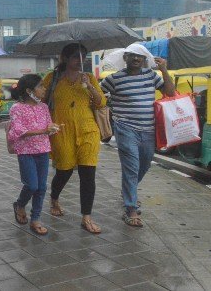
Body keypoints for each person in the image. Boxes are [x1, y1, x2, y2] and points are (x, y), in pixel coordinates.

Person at [100, 44, 175, 227]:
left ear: (144, 60)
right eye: (132, 56)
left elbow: (170, 92)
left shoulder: (150, 76)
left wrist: (164, 69)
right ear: (125, 58)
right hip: (125, 129)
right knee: (131, 167)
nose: (135, 59)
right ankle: (131, 208)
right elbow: (97, 96)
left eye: (139, 56)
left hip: (149, 130)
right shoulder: (113, 79)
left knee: (145, 163)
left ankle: (128, 190)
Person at [42, 43, 106, 234]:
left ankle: (86, 217)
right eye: (75, 57)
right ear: (65, 58)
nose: (80, 61)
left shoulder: (89, 78)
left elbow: (101, 102)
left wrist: (90, 87)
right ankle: (54, 197)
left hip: (88, 130)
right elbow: (39, 100)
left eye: (83, 57)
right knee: (64, 171)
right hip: (61, 131)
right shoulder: (52, 78)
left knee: (88, 174)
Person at [8, 74, 61, 236]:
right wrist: (44, 130)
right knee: (32, 185)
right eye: (41, 86)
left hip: (43, 150)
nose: (44, 89)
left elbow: (48, 125)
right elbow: (18, 131)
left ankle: (36, 219)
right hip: (25, 152)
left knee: (42, 187)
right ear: (30, 91)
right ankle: (20, 204)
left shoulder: (43, 107)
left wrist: (52, 128)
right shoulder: (16, 108)